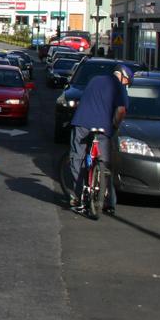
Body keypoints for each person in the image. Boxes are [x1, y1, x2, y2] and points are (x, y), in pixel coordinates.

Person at [67, 63, 132, 217]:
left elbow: (84, 98)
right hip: (104, 127)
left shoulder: (95, 79)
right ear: (123, 77)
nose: (126, 85)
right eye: (127, 82)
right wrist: (115, 126)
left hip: (83, 122)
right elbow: (121, 110)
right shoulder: (119, 87)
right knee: (105, 164)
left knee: (77, 158)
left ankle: (78, 198)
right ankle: (109, 203)